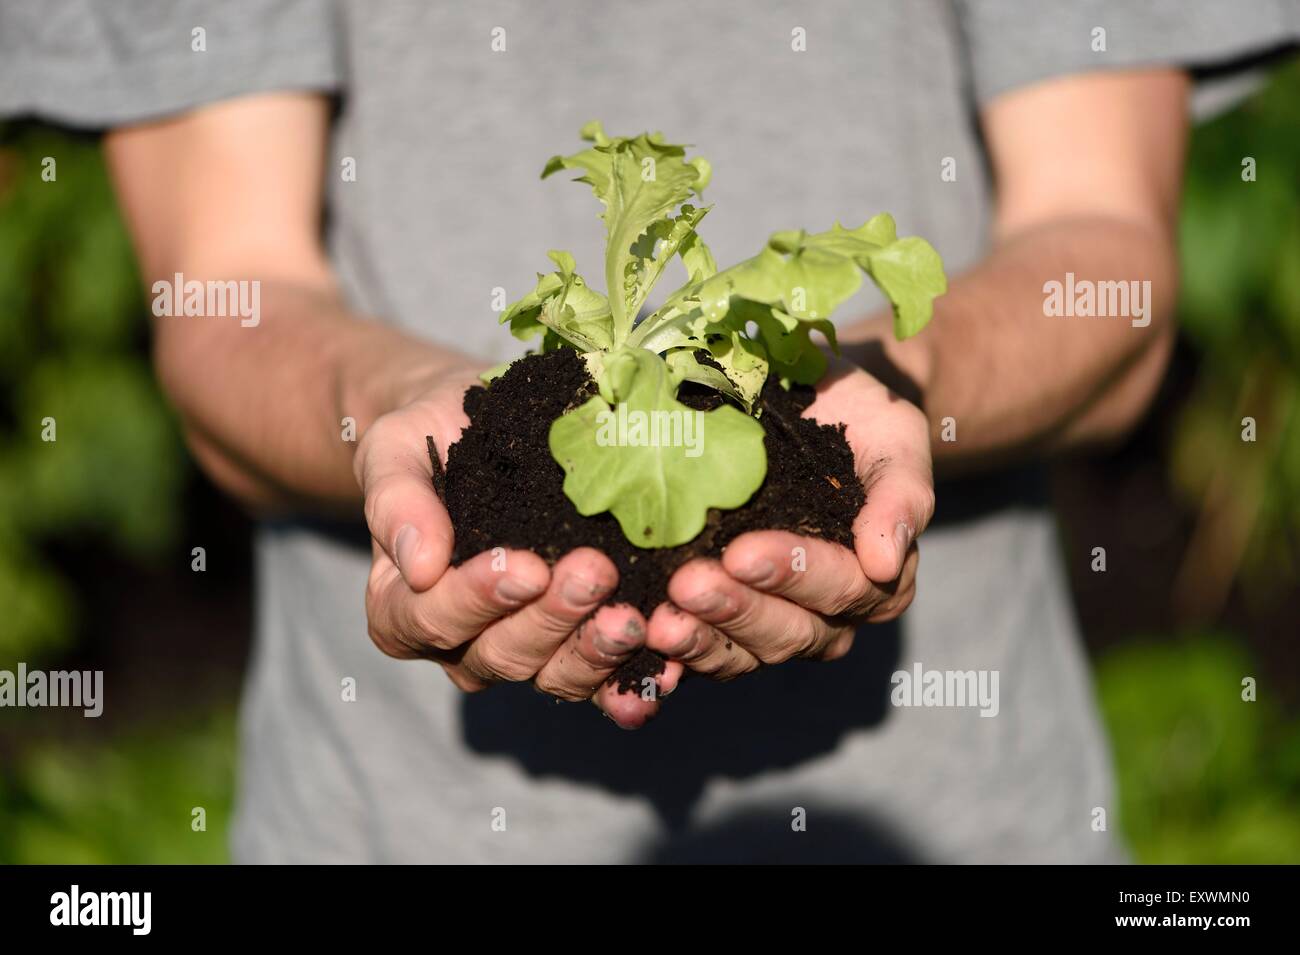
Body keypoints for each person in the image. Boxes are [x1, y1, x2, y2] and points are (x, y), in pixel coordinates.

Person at [3, 0, 1294, 862]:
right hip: (390, 825)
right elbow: (229, 291)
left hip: (956, 820)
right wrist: (397, 416)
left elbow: (1107, 250)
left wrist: (892, 379)